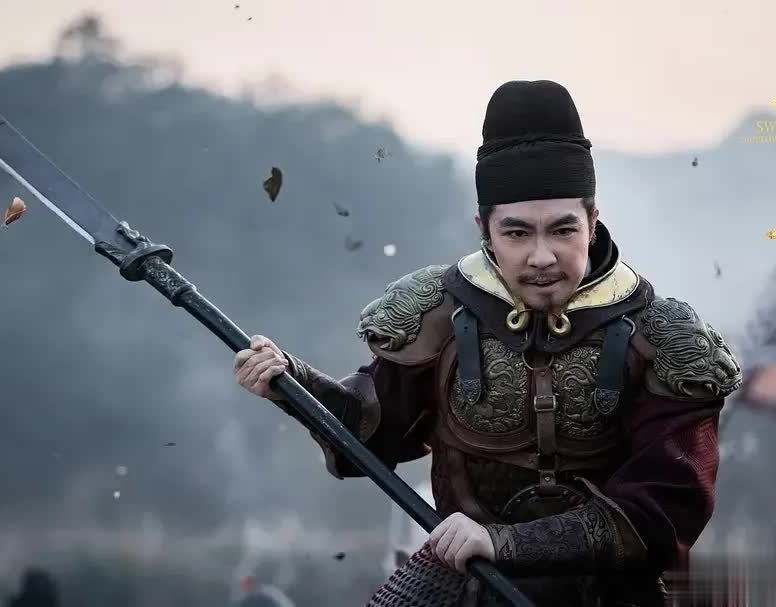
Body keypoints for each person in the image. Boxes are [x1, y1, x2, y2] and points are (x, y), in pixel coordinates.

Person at [234, 80, 742, 607]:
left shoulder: (663, 341)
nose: (542, 256)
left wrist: (505, 543)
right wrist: (292, 383)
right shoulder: (437, 314)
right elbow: (370, 438)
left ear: (592, 222)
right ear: (485, 229)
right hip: (458, 584)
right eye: (517, 233)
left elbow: (662, 513)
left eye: (562, 230)